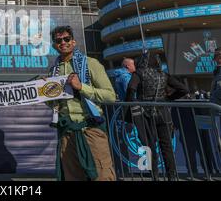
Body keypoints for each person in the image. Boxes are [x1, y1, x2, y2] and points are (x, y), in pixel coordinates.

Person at [47, 25, 116, 181]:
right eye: (58, 40)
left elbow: (110, 96)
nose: (63, 42)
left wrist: (81, 87)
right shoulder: (53, 72)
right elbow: (55, 106)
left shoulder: (90, 63)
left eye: (66, 39)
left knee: (102, 175)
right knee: (72, 177)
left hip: (91, 129)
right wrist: (45, 96)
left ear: (74, 42)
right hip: (67, 132)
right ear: (54, 45)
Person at [126, 52, 188, 181]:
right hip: (163, 114)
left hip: (145, 115)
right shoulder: (163, 74)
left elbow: (131, 89)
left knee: (149, 146)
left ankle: (154, 176)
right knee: (167, 147)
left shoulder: (138, 73)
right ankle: (172, 176)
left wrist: (129, 104)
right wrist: (167, 99)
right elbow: (184, 89)